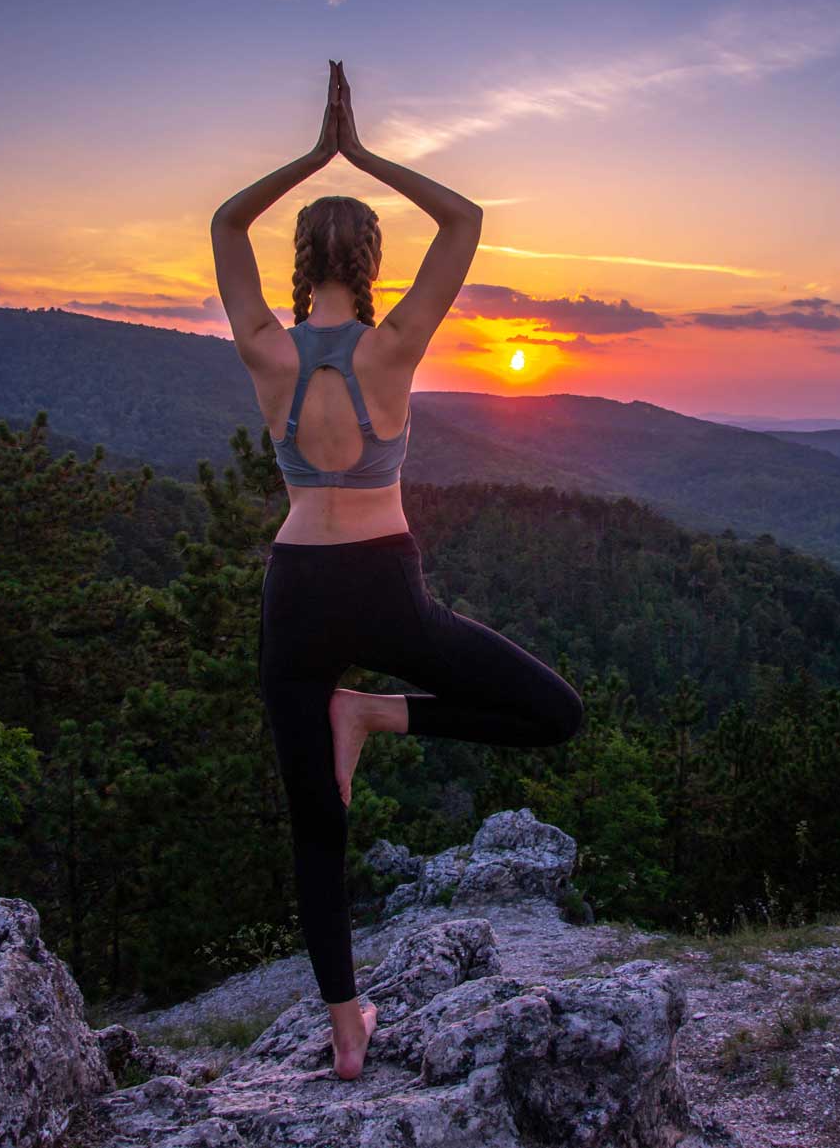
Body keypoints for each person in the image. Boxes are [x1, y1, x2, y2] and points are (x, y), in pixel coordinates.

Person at [210, 60, 584, 1080]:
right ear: (371, 258)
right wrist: (361, 152)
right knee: (555, 714)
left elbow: (221, 226)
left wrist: (309, 156)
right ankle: (378, 713)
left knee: (314, 823)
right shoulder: (395, 347)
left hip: (296, 591)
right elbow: (461, 220)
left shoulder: (264, 352)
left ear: (300, 261)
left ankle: (344, 1029)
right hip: (385, 586)